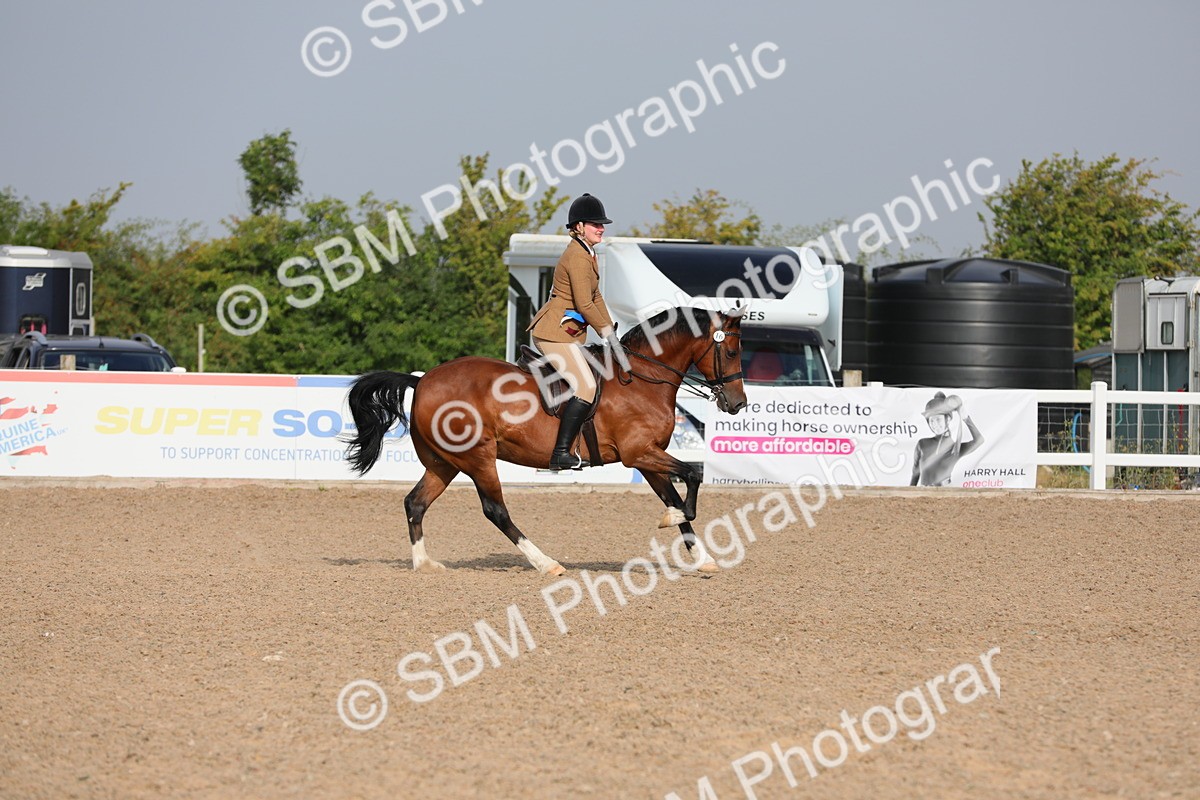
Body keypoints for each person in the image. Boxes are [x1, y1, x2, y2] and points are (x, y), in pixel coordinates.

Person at [527, 193, 623, 470]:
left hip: (565, 333)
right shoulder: (579, 257)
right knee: (586, 386)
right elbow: (584, 304)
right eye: (596, 224)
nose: (601, 228)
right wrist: (606, 335)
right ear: (579, 227)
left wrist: (611, 330)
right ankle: (560, 453)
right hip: (552, 334)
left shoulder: (588, 253)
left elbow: (596, 297)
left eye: (602, 224)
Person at [910, 392, 985, 486]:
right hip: (923, 493)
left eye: (938, 419)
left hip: (946, 492)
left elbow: (979, 440)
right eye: (931, 420)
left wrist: (965, 417)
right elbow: (915, 472)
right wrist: (909, 492)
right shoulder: (922, 444)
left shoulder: (955, 448)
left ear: (948, 419)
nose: (935, 424)